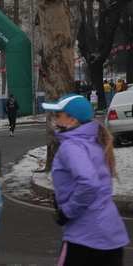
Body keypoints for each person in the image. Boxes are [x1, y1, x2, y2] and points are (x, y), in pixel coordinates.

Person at [42, 94, 130, 266]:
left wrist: (66, 211)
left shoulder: (71, 147)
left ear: (72, 120)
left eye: (58, 115)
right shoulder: (94, 142)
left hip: (85, 236)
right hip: (111, 235)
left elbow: (89, 183)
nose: (53, 120)